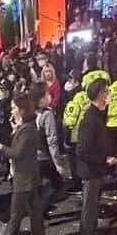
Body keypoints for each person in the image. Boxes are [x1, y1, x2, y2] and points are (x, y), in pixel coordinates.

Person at [0, 93, 46, 235]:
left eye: (14, 108)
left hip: (24, 176)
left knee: (16, 211)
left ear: (22, 110)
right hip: (28, 174)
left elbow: (17, 153)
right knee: (34, 208)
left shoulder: (28, 129)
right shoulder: (25, 127)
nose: (12, 111)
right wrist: (15, 129)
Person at [75, 78, 117, 235]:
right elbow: (82, 151)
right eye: (106, 91)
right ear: (100, 94)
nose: (109, 94)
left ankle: (91, 232)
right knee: (89, 205)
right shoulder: (90, 119)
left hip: (97, 170)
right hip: (90, 171)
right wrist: (104, 159)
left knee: (94, 204)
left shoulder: (98, 115)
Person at [32, 82, 69, 212]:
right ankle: (40, 209)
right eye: (47, 94)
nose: (49, 96)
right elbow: (51, 140)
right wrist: (58, 163)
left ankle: (38, 208)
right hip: (44, 156)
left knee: (38, 185)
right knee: (57, 184)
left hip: (32, 155)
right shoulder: (47, 115)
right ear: (41, 98)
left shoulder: (31, 112)